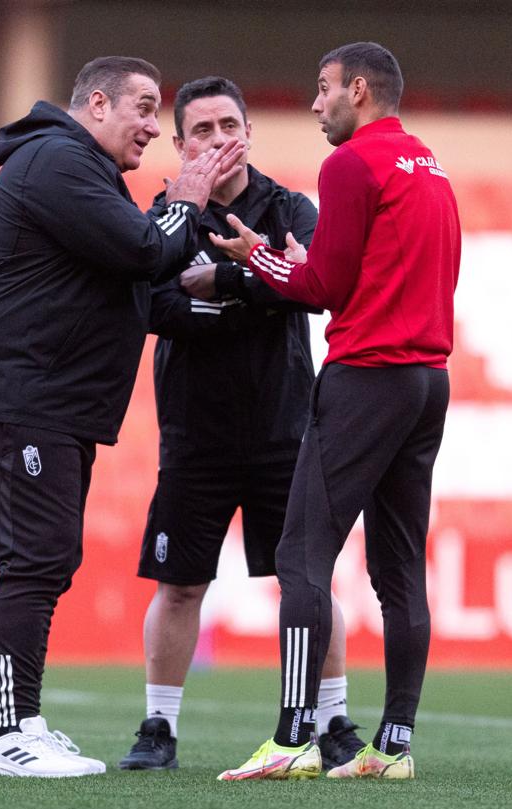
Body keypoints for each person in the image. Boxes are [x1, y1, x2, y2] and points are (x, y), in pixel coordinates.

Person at [0, 56, 244, 778]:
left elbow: (135, 290)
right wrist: (185, 199)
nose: (150, 126)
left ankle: (26, 721)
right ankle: (8, 734)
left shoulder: (81, 172)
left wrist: (232, 297)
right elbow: (144, 250)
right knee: (34, 559)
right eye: (142, 108)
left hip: (48, 402)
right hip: (19, 399)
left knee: (47, 559)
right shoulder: (55, 161)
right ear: (96, 104)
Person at [210, 43, 461, 781]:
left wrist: (256, 256)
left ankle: (292, 739)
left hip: (368, 378)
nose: (316, 104)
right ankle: (394, 748)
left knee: (302, 556)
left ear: (358, 89)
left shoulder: (350, 164)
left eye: (322, 89)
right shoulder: (431, 164)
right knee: (398, 570)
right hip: (426, 380)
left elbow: (322, 285)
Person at [114, 77, 364, 773]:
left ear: (249, 131)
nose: (219, 139)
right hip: (194, 431)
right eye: (203, 130)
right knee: (181, 583)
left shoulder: (289, 207)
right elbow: (154, 307)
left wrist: (225, 285)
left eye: (230, 125)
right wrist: (257, 297)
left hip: (285, 427)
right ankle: (158, 728)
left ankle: (333, 720)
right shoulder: (167, 214)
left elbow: (309, 286)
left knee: (306, 580)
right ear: (180, 143)